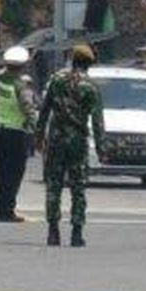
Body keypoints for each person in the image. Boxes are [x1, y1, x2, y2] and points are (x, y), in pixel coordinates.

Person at [36, 44, 106, 247]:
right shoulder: (91, 86)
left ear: (72, 60)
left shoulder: (56, 81)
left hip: (56, 140)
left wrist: (39, 137)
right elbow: (97, 120)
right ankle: (76, 233)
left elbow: (44, 110)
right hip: (77, 141)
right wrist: (101, 148)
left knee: (54, 186)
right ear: (89, 64)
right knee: (78, 187)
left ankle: (52, 232)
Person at [0, 46, 37, 222]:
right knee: (14, 173)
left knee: (0, 172)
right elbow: (28, 109)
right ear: (23, 66)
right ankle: (8, 211)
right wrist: (36, 130)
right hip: (16, 133)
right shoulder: (21, 86)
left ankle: (0, 209)